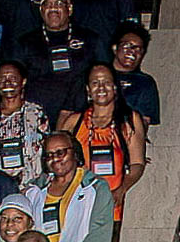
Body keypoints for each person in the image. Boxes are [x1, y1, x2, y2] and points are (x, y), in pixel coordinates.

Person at [58, 62, 146, 216]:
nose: (101, 87)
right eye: (95, 83)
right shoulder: (74, 122)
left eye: (106, 82)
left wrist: (122, 189)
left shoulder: (129, 119)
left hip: (113, 202)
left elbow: (137, 163)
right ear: (88, 90)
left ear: (114, 87)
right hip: (78, 202)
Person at [26, 131, 115, 242]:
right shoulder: (33, 191)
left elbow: (98, 241)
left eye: (60, 152)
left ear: (75, 153)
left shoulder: (96, 188)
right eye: (49, 155)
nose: (55, 158)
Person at [12, 0, 98, 121]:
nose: (53, 9)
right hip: (38, 116)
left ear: (69, 9)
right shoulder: (25, 42)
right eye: (48, 5)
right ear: (41, 11)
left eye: (59, 4)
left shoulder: (90, 39)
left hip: (81, 114)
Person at [0, 61, 51, 184]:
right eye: (2, 79)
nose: (7, 83)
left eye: (13, 78)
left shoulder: (36, 113)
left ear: (23, 82)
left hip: (33, 185)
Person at [109, 22, 160, 126]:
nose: (132, 52)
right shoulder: (98, 75)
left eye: (138, 49)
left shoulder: (145, 83)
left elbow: (145, 121)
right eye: (127, 46)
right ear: (115, 48)